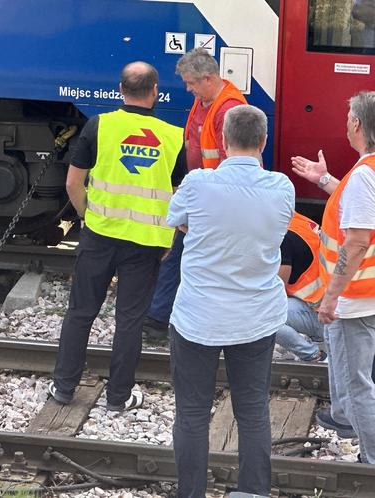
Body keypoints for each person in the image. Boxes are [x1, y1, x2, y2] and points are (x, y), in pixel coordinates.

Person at [168, 105, 294, 495]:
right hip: (255, 316)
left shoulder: (197, 183)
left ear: (222, 141)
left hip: (197, 317)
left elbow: (178, 220)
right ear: (264, 141)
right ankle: (252, 491)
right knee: (253, 410)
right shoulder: (282, 188)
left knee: (191, 414)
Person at [48, 61, 186, 411]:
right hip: (146, 244)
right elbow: (178, 194)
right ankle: (118, 396)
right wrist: (168, 236)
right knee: (129, 320)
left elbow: (72, 183)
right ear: (156, 91)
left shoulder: (99, 126)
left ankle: (64, 388)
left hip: (100, 235)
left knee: (81, 312)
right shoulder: (173, 137)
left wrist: (87, 217)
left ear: (120, 90)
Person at [291, 91, 375, 463]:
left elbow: (356, 242)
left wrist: (330, 298)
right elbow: (360, 209)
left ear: (357, 124)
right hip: (366, 294)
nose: (345, 124)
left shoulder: (363, 177)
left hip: (353, 300)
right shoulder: (366, 173)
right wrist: (325, 179)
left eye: (347, 118)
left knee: (357, 385)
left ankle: (372, 458)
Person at [143, 47, 247, 338]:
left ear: (209, 78)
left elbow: (232, 163)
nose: (187, 89)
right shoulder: (207, 101)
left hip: (212, 196)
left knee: (180, 255)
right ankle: (160, 318)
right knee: (180, 254)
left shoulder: (228, 110)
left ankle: (158, 319)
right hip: (202, 192)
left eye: (191, 83)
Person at [275, 211, 327, 362]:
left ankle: (312, 354)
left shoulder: (283, 236)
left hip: (322, 314)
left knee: (261, 316)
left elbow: (278, 288)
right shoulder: (301, 222)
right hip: (333, 308)